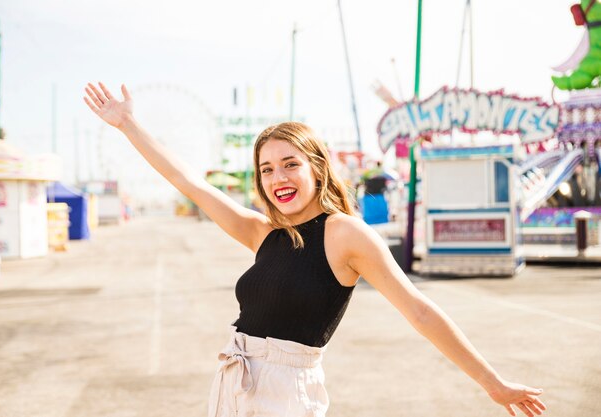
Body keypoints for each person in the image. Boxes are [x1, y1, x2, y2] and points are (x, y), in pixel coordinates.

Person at [84, 82, 547, 417]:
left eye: (290, 164)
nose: (278, 178)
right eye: (267, 169)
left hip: (288, 393)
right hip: (234, 381)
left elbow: (419, 311)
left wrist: (494, 383)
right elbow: (189, 182)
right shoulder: (262, 233)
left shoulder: (344, 233)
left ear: (317, 168)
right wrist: (127, 124)